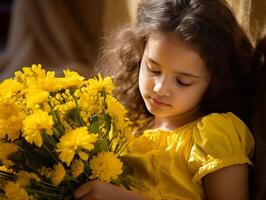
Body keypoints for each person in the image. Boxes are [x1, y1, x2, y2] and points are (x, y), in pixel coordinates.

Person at [73, 0, 265, 199]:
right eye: (153, 69)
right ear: (139, 53)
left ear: (214, 81)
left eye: (182, 81)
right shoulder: (128, 125)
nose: (159, 88)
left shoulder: (213, 136)